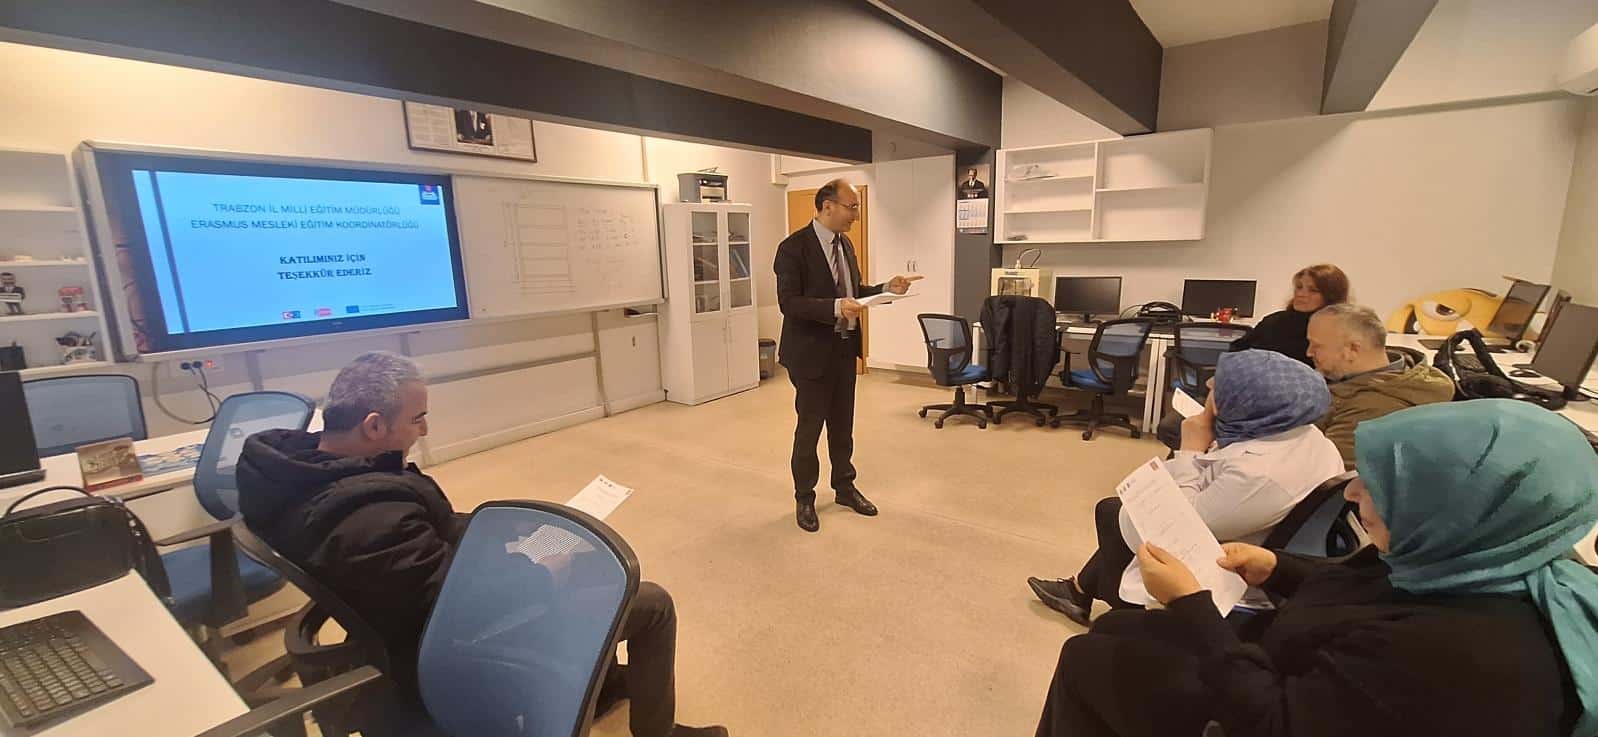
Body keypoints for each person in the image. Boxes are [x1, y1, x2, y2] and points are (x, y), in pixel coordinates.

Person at [1034, 399, 1595, 737]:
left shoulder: (1457, 654)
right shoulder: (1479, 557)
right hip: (1305, 662)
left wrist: (1190, 605)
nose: (1352, 492)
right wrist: (1276, 568)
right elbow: (1371, 592)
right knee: (1117, 625)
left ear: (1450, 508)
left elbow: (1271, 723)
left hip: (1273, 705)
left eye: (1376, 487)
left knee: (1085, 657)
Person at [238, 352, 726, 737]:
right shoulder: (366, 520)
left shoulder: (298, 473)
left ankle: (600, 685)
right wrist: (543, 569)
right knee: (650, 602)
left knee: (581, 559)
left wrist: (503, 532)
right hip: (441, 649)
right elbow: (454, 608)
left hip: (404, 611)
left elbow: (420, 546)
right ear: (374, 426)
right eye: (418, 419)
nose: (425, 430)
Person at [1028, 350, 1344, 625]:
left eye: (1219, 385)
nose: (1209, 384)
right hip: (1249, 536)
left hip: (1224, 568)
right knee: (1118, 509)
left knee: (1113, 513)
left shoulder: (1260, 475)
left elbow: (1173, 525)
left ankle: (1118, 612)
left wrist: (1190, 450)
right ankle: (1078, 590)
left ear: (1244, 404)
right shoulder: (1301, 434)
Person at [775, 179, 918, 533]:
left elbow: (854, 291)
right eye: (852, 207)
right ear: (827, 206)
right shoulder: (793, 248)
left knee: (842, 427)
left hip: (843, 349)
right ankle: (804, 497)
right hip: (810, 355)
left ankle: (844, 486)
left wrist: (885, 289)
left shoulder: (845, 245)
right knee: (809, 430)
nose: (856, 214)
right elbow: (789, 303)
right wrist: (836, 307)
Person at [1156, 263, 1351, 449]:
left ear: (1330, 296)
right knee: (1172, 426)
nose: (1301, 293)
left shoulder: (1334, 334)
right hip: (1239, 397)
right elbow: (1236, 352)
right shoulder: (1274, 322)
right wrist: (1222, 377)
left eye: (1312, 290)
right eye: (1299, 287)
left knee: (1181, 430)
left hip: (1280, 408)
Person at [1305, 303, 1454, 469]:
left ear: (1353, 349)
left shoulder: (1370, 407)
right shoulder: (1406, 376)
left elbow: (1332, 473)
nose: (1308, 352)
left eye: (1316, 345)